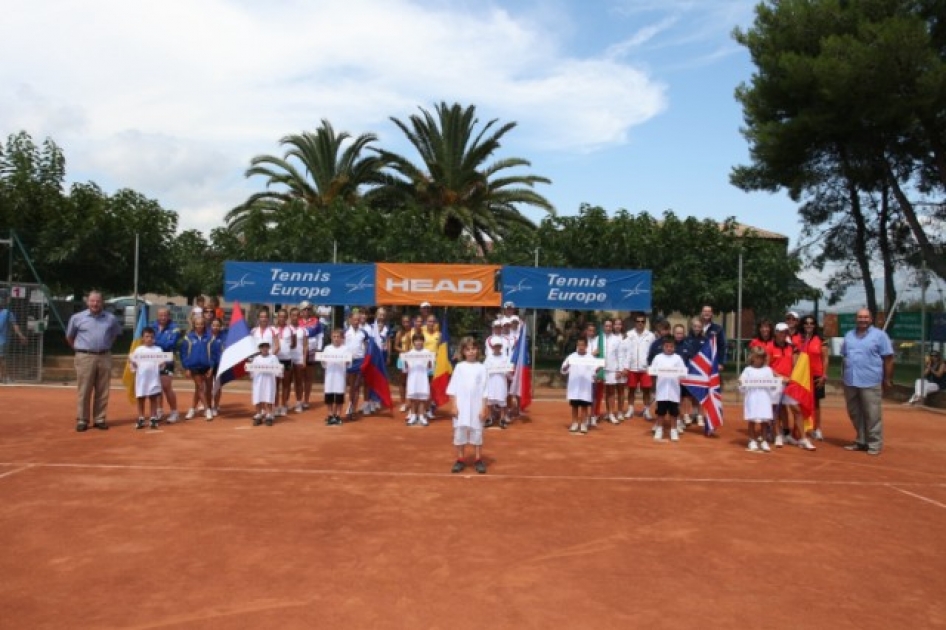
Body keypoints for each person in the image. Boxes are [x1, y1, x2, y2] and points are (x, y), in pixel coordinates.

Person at [65, 291, 123, 432]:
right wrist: (79, 350)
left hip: (104, 356)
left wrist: (105, 346)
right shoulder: (77, 318)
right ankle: (82, 420)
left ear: (102, 302)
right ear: (87, 302)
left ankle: (100, 419)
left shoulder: (110, 318)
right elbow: (69, 336)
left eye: (98, 301)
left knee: (103, 390)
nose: (95, 304)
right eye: (92, 301)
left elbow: (115, 334)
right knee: (84, 390)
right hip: (85, 357)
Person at [841, 308, 894, 456]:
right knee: (854, 413)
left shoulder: (880, 336)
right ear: (855, 319)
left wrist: (887, 379)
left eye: (865, 317)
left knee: (872, 414)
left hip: (870, 380)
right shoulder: (849, 335)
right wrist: (842, 377)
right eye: (860, 317)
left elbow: (888, 358)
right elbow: (844, 357)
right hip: (850, 380)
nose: (862, 320)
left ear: (870, 319)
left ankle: (875, 443)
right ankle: (861, 440)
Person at [446, 337, 489, 474]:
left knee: (477, 432)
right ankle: (460, 459)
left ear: (478, 351)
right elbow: (452, 389)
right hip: (461, 406)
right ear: (463, 351)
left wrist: (484, 407)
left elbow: (485, 390)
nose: (471, 352)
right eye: (468, 349)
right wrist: (454, 405)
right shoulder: (459, 367)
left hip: (477, 406)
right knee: (460, 432)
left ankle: (478, 459)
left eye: (473, 349)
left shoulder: (482, 368)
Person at [739, 346, 777, 453]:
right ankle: (752, 440)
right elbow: (742, 383)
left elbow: (773, 384)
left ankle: (764, 441)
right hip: (752, 398)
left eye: (761, 358)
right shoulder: (747, 370)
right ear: (752, 358)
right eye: (756, 357)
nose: (758, 360)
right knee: (752, 420)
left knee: (764, 421)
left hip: (764, 398)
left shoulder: (768, 370)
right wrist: (741, 383)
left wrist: (773, 384)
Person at [650, 336, 687, 442]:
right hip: (661, 390)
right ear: (663, 347)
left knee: (674, 412)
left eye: (671, 346)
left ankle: (674, 430)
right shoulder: (657, 357)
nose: (669, 348)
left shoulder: (678, 358)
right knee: (660, 411)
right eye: (667, 346)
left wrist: (680, 373)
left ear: (674, 347)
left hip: (674, 390)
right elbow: (653, 371)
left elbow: (683, 372)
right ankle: (659, 429)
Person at [798, 315, 829, 440]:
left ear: (815, 325)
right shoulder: (799, 339)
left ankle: (817, 429)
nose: (808, 325)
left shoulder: (821, 340)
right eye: (806, 323)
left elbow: (825, 358)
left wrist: (824, 375)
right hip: (802, 376)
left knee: (816, 404)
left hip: (817, 375)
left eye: (811, 323)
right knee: (802, 404)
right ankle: (804, 429)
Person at [151, 307, 182, 424]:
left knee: (166, 386)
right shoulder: (152, 327)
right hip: (153, 360)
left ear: (169, 316)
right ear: (157, 316)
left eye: (165, 315)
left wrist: (156, 342)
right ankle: (159, 410)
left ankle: (174, 412)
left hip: (167, 360)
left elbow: (170, 344)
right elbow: (146, 340)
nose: (163, 317)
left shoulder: (175, 328)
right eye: (160, 315)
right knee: (156, 386)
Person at [180, 315, 214, 421]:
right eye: (197, 324)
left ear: (204, 325)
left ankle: (192, 409)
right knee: (200, 387)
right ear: (194, 325)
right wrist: (187, 367)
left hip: (206, 366)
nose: (199, 326)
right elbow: (183, 353)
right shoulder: (188, 337)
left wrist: (212, 367)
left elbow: (214, 354)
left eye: (201, 324)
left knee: (203, 390)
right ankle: (207, 409)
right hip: (194, 366)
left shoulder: (209, 338)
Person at [622, 313, 655, 421]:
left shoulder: (650, 336)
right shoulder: (629, 334)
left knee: (646, 390)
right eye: (638, 321)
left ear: (645, 323)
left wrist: (651, 366)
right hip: (632, 367)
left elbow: (653, 353)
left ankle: (646, 410)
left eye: (642, 321)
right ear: (635, 322)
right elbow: (625, 351)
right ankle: (630, 409)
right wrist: (625, 367)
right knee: (631, 389)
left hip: (645, 368)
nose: (640, 323)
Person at [129, 326, 162, 430]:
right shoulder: (138, 350)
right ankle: (141, 418)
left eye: (151, 337)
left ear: (154, 338)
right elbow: (133, 366)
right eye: (147, 336)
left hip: (153, 378)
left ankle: (153, 418)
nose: (149, 339)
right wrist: (132, 362)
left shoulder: (158, 349)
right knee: (141, 398)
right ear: (142, 338)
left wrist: (163, 364)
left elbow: (162, 364)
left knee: (153, 398)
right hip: (141, 379)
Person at [561, 336, 596, 435]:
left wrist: (596, 371)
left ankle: (583, 423)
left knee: (584, 406)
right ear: (577, 346)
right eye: (579, 345)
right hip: (574, 386)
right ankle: (575, 423)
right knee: (575, 406)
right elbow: (563, 369)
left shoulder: (590, 358)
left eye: (583, 345)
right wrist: (567, 366)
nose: (581, 347)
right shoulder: (572, 356)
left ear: (586, 346)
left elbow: (594, 370)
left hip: (585, 386)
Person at [321, 328, 351, 425]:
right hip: (330, 376)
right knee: (329, 396)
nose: (336, 339)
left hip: (340, 376)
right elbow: (323, 363)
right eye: (334, 337)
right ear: (331, 338)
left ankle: (337, 415)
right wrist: (324, 361)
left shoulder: (345, 349)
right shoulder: (327, 348)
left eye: (338, 337)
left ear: (341, 338)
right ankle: (330, 415)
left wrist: (347, 362)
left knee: (339, 396)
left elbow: (349, 363)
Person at [403, 333, 433, 427]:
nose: (418, 342)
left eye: (420, 340)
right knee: (413, 398)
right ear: (413, 342)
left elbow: (430, 368)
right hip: (412, 378)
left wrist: (429, 363)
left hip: (423, 377)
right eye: (416, 340)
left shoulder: (427, 353)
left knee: (422, 398)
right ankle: (413, 415)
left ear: (423, 342)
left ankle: (421, 416)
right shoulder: (409, 354)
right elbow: (405, 369)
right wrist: (405, 363)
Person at [299, 302, 324, 411]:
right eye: (304, 309)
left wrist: (319, 349)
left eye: (309, 309)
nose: (307, 311)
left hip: (312, 352)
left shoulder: (316, 322)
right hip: (299, 352)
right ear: (301, 311)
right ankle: (299, 400)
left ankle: (306, 400)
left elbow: (320, 336)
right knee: (299, 378)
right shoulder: (297, 322)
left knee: (308, 378)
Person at [248, 340, 279, 426]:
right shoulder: (256, 358)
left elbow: (277, 370)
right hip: (258, 381)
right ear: (260, 348)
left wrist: (276, 371)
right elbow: (252, 371)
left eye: (266, 346)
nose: (264, 348)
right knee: (258, 396)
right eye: (262, 347)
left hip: (269, 381)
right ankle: (259, 414)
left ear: (269, 347)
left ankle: (269, 415)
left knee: (269, 396)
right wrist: (249, 370)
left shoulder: (273, 357)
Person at [344, 311, 368, 421]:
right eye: (354, 319)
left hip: (359, 361)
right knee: (352, 386)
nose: (356, 322)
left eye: (358, 320)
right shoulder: (345, 332)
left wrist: (366, 359)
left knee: (357, 386)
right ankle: (350, 406)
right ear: (350, 320)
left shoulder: (363, 333)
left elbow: (367, 347)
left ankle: (353, 410)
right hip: (348, 361)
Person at [484, 338, 511, 429]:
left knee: (502, 400)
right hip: (491, 381)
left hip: (501, 381)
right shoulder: (488, 358)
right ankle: (489, 418)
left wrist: (509, 372)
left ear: (501, 347)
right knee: (490, 401)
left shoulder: (505, 358)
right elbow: (484, 369)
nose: (497, 347)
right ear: (492, 347)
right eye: (495, 346)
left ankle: (502, 419)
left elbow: (508, 370)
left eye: (499, 346)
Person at [0, 293, 28, 383]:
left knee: (2, 359)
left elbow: (15, 326)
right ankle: (4, 377)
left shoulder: (7, 313)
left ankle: (5, 377)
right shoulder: (7, 313)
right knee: (2, 359)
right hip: (3, 341)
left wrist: (21, 336)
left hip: (2, 341)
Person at [287, 306, 308, 413]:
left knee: (299, 382)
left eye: (297, 315)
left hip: (299, 359)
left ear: (299, 317)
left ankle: (299, 402)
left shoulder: (303, 330)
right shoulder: (286, 329)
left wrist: (304, 360)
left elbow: (305, 346)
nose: (295, 317)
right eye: (293, 315)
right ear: (290, 317)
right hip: (287, 358)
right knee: (286, 382)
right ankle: (285, 403)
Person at [394, 314, 414, 414]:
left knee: (411, 381)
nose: (406, 323)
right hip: (402, 358)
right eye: (404, 322)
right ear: (402, 323)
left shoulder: (414, 332)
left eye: (408, 321)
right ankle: (403, 403)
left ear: (411, 322)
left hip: (413, 359)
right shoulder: (399, 333)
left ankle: (411, 403)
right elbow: (396, 346)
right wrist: (404, 351)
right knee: (402, 381)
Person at [208, 317, 225, 417]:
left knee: (218, 386)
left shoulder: (224, 337)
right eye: (214, 325)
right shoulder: (207, 337)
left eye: (217, 325)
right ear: (211, 326)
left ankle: (216, 406)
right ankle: (209, 406)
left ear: (220, 327)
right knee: (208, 386)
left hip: (219, 365)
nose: (215, 327)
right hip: (209, 365)